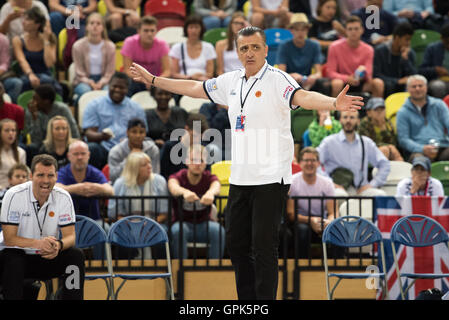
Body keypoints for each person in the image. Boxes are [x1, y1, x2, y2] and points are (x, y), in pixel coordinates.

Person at [129, 25, 363, 299]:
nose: (249, 52)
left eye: (255, 47)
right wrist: (154, 80)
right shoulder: (231, 81)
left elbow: (303, 97)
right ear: (237, 52)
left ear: (265, 49)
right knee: (237, 245)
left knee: (264, 248)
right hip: (241, 178)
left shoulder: (278, 79)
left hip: (271, 177)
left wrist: (333, 103)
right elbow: (194, 87)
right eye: (244, 48)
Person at [0, 154, 85, 300]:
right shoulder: (13, 195)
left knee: (75, 255)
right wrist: (39, 243)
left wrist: (58, 245)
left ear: (56, 176)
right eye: (40, 175)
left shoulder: (64, 197)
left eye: (50, 175)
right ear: (31, 175)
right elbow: (9, 239)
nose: (46, 181)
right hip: (19, 256)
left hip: (47, 257)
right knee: (12, 258)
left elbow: (71, 237)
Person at [55, 140, 113, 259]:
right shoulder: (64, 172)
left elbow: (110, 190)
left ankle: (101, 267)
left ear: (88, 155)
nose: (80, 157)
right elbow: (55, 187)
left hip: (93, 221)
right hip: (67, 222)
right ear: (69, 156)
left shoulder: (94, 172)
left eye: (83, 153)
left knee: (105, 228)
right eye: (76, 154)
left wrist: (96, 188)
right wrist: (76, 189)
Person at [168, 144, 224, 259]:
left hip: (204, 224)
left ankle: (214, 271)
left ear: (206, 162)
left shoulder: (209, 177)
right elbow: (172, 186)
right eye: (194, 160)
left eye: (201, 160)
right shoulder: (178, 176)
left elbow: (216, 186)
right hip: (182, 223)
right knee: (178, 231)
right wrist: (184, 192)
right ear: (187, 161)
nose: (198, 164)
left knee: (218, 231)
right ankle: (180, 271)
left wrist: (210, 193)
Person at [82, 71, 147, 170]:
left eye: (121, 88)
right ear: (108, 85)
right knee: (92, 148)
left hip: (129, 148)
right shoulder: (94, 105)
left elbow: (143, 132)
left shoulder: (136, 108)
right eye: (114, 86)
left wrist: (130, 140)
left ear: (127, 89)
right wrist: (102, 136)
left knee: (150, 147)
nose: (117, 90)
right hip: (104, 147)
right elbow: (88, 133)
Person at [317, 110, 390, 197]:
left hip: (361, 189)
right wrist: (329, 182)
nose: (348, 120)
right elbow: (316, 163)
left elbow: (384, 164)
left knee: (381, 195)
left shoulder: (366, 143)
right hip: (338, 189)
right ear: (340, 120)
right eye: (345, 117)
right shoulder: (329, 142)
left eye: (352, 117)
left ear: (358, 121)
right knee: (340, 195)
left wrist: (373, 184)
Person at [3, 6, 62, 104]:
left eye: (27, 19)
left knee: (48, 82)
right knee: (20, 84)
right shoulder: (18, 40)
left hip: (44, 73)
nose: (23, 22)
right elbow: (21, 60)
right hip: (25, 74)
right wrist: (30, 74)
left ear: (37, 24)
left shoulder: (50, 39)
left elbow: (49, 63)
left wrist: (46, 41)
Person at [286, 147, 337, 258]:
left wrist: (329, 221)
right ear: (299, 163)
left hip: (322, 222)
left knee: (337, 229)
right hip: (301, 222)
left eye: (313, 160)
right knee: (302, 230)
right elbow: (290, 214)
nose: (309, 163)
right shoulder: (292, 182)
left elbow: (333, 211)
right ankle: (302, 266)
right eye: (306, 160)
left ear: (318, 163)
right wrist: (310, 220)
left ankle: (337, 266)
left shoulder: (327, 183)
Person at [326, 15, 384, 98]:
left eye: (356, 29)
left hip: (361, 82)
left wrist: (362, 74)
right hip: (343, 82)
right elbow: (330, 72)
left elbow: (369, 74)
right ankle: (335, 110)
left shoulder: (369, 49)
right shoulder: (334, 47)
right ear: (345, 31)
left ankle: (376, 109)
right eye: (350, 29)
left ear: (362, 30)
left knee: (378, 83)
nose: (353, 32)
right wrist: (347, 78)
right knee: (336, 83)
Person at [396, 74, 449, 162]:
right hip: (419, 151)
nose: (418, 89)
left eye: (420, 86)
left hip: (442, 146)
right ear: (408, 89)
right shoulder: (403, 112)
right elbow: (403, 140)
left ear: (426, 87)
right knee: (420, 161)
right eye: (414, 86)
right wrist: (422, 148)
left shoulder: (439, 105)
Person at [24, 84, 79, 165]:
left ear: (46, 101)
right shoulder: (31, 111)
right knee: (32, 148)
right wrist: (34, 118)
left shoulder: (62, 109)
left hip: (64, 144)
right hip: (44, 146)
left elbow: (75, 134)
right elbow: (36, 140)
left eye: (36, 99)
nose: (32, 102)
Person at [108, 152, 168, 223]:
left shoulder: (160, 181)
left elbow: (164, 213)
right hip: (126, 226)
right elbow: (114, 215)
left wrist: (149, 225)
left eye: (149, 163)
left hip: (155, 225)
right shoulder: (120, 183)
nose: (149, 166)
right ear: (134, 168)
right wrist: (133, 226)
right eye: (144, 165)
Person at [277, 13, 329, 93]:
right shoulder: (284, 46)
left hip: (308, 81)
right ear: (291, 30)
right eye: (296, 29)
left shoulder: (314, 45)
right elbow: (281, 74)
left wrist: (313, 77)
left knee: (325, 83)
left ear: (307, 30)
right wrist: (292, 76)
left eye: (303, 29)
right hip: (290, 81)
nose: (300, 33)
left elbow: (319, 73)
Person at [71, 12, 116, 106]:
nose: (95, 26)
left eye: (98, 23)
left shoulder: (110, 46)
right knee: (86, 92)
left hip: (104, 80)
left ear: (103, 27)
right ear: (86, 26)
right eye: (92, 23)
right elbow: (79, 72)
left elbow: (110, 72)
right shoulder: (77, 46)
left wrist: (101, 83)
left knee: (108, 93)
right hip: (83, 80)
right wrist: (90, 82)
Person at [121, 15, 170, 97]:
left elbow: (167, 71)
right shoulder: (129, 42)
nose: (149, 34)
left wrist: (153, 80)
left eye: (152, 30)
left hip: (156, 80)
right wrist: (145, 79)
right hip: (136, 79)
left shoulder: (162, 44)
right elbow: (127, 70)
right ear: (139, 31)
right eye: (146, 31)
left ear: (156, 31)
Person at [108, 117, 160, 184]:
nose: (138, 136)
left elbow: (155, 174)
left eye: (141, 132)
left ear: (145, 134)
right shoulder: (116, 151)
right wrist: (129, 160)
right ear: (127, 132)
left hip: (147, 184)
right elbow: (113, 177)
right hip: (124, 185)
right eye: (134, 132)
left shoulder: (152, 149)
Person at [373, 21, 416, 97]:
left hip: (402, 87)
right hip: (387, 86)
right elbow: (376, 74)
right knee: (388, 86)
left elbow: (414, 76)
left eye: (410, 40)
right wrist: (397, 81)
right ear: (397, 38)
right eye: (406, 39)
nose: (408, 43)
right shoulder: (380, 50)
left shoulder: (409, 53)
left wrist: (405, 60)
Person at [170, 15, 216, 82]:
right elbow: (174, 74)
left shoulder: (208, 47)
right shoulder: (177, 47)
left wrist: (200, 75)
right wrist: (189, 77)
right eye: (191, 27)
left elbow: (210, 74)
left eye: (197, 27)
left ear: (201, 29)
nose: (194, 30)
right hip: (183, 83)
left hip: (202, 83)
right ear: (186, 29)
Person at [418, 23, 449, 100]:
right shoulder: (432, 49)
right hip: (438, 80)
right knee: (438, 87)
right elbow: (421, 70)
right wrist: (435, 70)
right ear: (442, 39)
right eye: (447, 42)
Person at [215, 11, 247, 75]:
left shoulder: (249, 44)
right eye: (236, 23)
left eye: (241, 24)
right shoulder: (220, 45)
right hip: (227, 79)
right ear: (231, 25)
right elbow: (219, 71)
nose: (239, 26)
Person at [0, 118, 26, 190]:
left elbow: (24, 174)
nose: (11, 133)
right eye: (7, 130)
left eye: (13, 130)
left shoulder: (21, 152)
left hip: (16, 190)